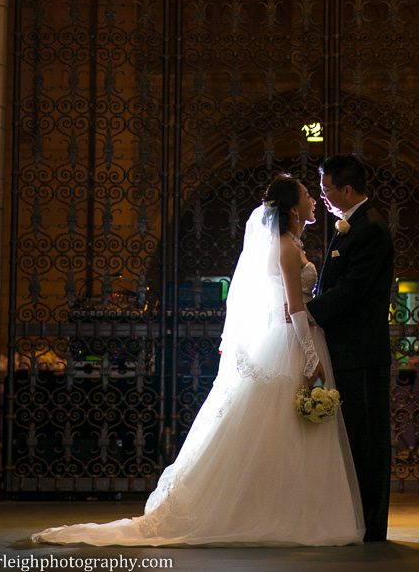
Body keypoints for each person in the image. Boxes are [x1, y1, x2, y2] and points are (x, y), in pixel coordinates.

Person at [32, 174, 364, 547]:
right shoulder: (286, 247)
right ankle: (270, 512)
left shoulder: (293, 244)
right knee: (279, 425)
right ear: (292, 208)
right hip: (290, 344)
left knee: (291, 428)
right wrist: (310, 356)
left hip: (296, 338)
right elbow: (295, 307)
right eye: (306, 194)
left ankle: (293, 509)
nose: (314, 199)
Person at [307, 154, 395, 542]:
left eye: (326, 189)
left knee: (366, 439)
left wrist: (307, 313)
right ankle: (354, 517)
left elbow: (353, 289)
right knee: (351, 437)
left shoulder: (370, 228)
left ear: (346, 189)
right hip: (345, 349)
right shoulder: (351, 225)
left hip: (361, 352)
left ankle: (371, 524)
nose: (322, 196)